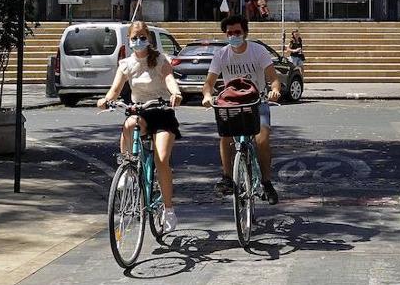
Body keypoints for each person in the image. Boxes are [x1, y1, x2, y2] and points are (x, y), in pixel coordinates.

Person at [98, 22, 184, 233]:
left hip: (162, 112)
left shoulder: (160, 60)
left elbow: (169, 79)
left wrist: (176, 94)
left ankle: (169, 209)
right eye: (135, 38)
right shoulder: (126, 64)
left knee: (161, 159)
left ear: (149, 39)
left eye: (142, 37)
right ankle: (127, 168)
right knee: (129, 123)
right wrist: (106, 100)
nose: (139, 41)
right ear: (129, 39)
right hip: (140, 112)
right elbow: (115, 89)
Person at [202, 15, 282, 204]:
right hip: (232, 103)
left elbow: (273, 78)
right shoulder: (221, 54)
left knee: (262, 138)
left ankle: (266, 182)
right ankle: (227, 177)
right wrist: (207, 95)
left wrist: (275, 90)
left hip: (257, 101)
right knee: (225, 136)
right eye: (229, 33)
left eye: (237, 32)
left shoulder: (258, 51)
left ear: (245, 33)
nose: (233, 36)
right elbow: (209, 83)